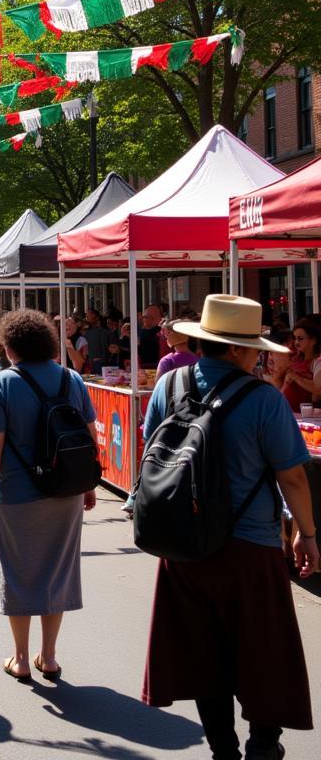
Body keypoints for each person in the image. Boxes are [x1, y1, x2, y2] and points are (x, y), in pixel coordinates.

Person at [141, 294, 317, 758]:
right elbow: (293, 475)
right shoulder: (262, 398)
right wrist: (308, 533)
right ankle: (263, 745)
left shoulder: (169, 385)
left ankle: (223, 749)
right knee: (262, 650)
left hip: (183, 544)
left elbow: (151, 450)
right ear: (239, 350)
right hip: (250, 545)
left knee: (202, 652)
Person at [0, 309, 98, 682]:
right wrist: (89, 484)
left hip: (18, 491)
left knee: (18, 573)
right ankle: (48, 655)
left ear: (10, 346)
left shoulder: (1, 383)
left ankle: (19, 657)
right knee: (56, 571)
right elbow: (89, 434)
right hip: (66, 491)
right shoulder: (71, 379)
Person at [280, 317, 321, 412]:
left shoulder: (316, 363)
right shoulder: (296, 360)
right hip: (288, 413)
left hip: (306, 418)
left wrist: (296, 377)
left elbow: (318, 390)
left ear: (314, 340)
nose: (296, 342)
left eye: (300, 339)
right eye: (295, 338)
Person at [138, 304, 167, 369]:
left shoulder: (161, 333)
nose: (143, 319)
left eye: (145, 317)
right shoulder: (144, 332)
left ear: (152, 319)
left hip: (154, 369)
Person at [83, 309, 112, 375]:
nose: (86, 316)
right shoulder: (87, 331)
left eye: (88, 314)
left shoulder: (102, 331)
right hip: (89, 361)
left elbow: (104, 345)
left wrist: (103, 359)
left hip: (99, 362)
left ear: (94, 315)